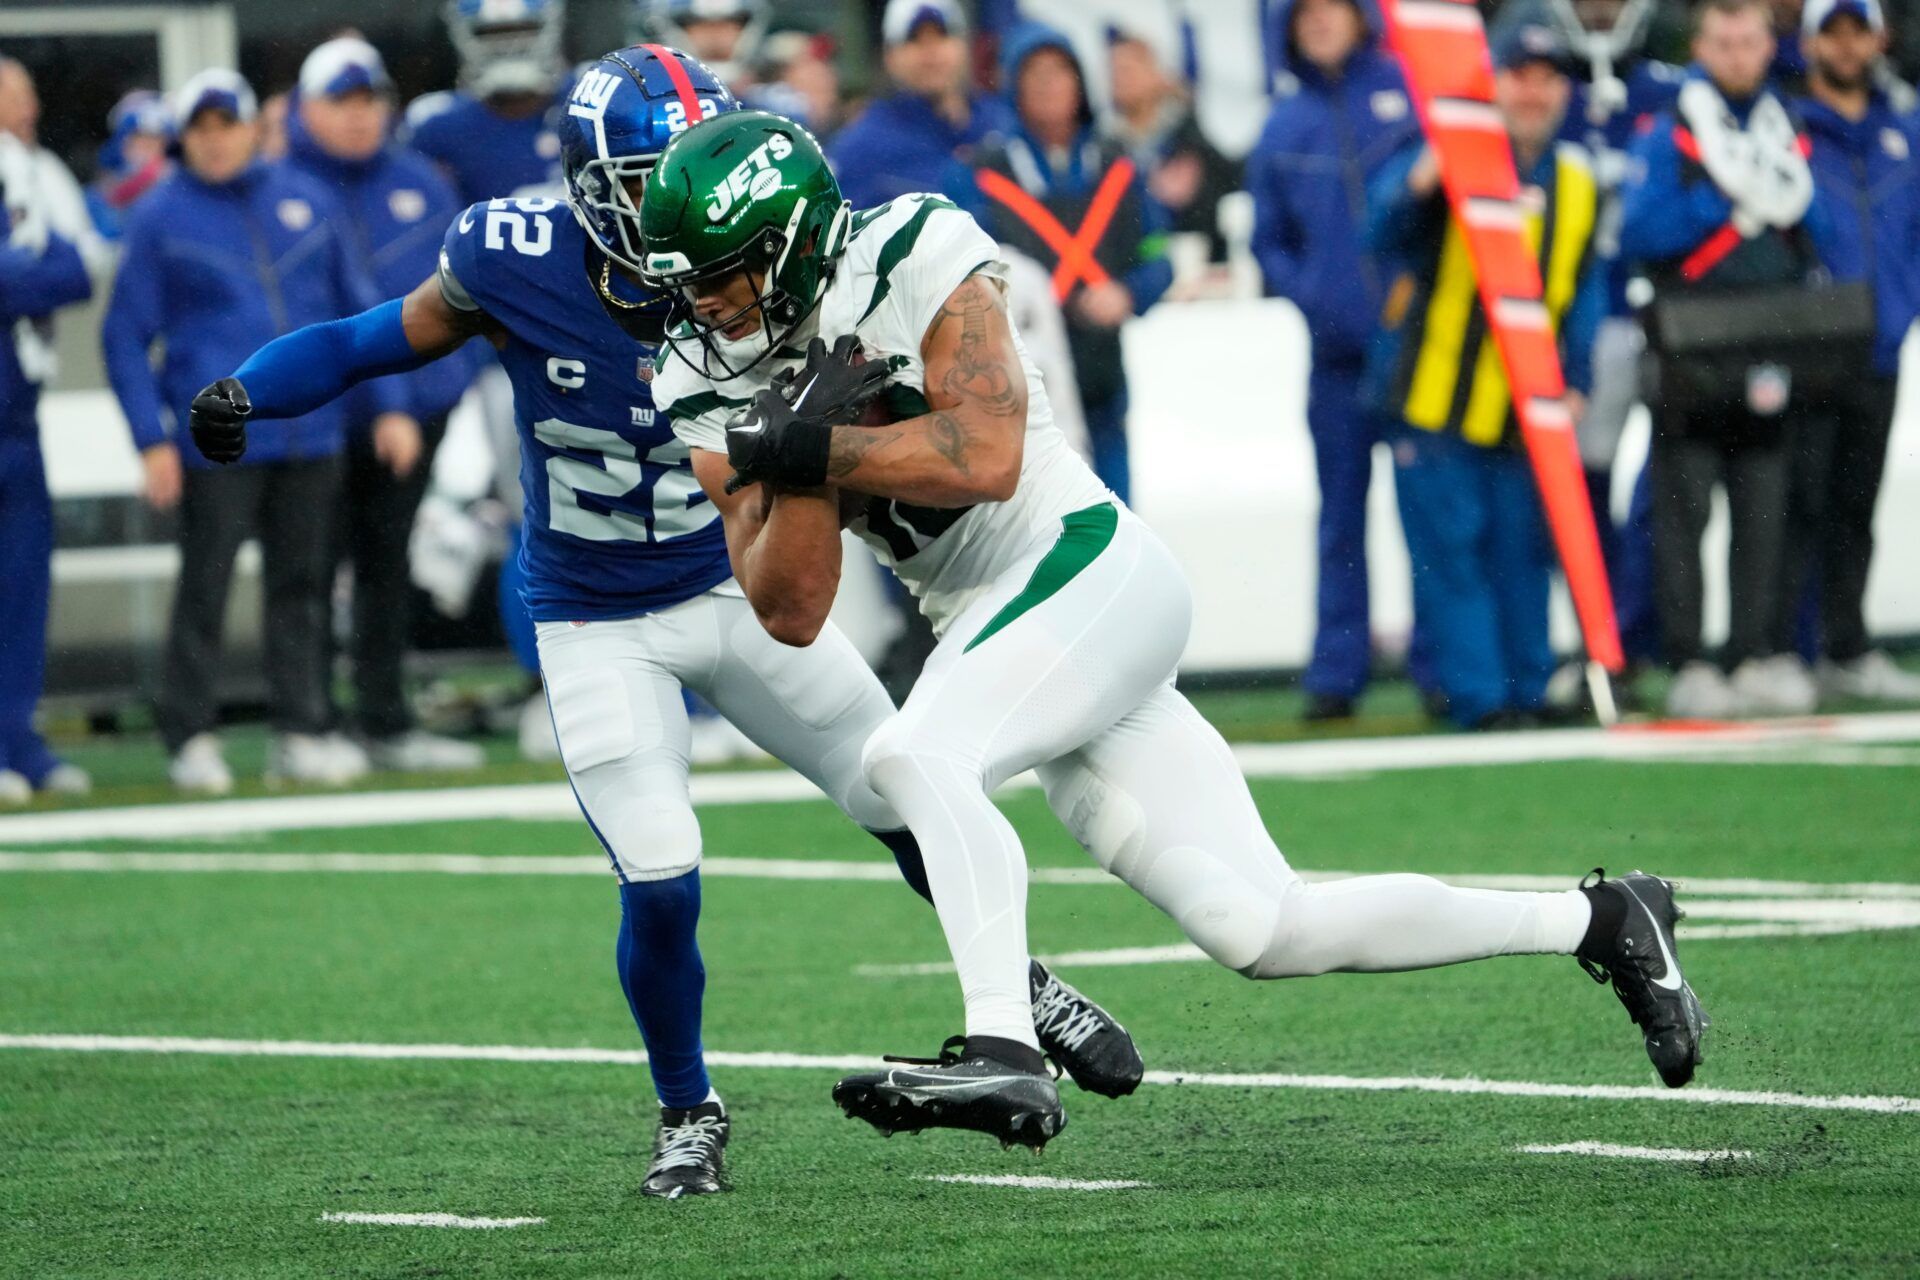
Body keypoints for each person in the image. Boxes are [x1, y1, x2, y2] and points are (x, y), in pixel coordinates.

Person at [642, 108, 1707, 1151]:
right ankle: (1605, 919)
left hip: (1084, 566)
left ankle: (1006, 1042)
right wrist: (804, 455)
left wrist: (817, 447)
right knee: (1265, 926)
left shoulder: (912, 244)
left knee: (910, 756)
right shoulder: (695, 370)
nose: (701, 300)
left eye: (719, 271)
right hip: (999, 631)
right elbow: (791, 606)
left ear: (789, 244)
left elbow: (986, 453)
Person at [183, 49, 1138, 1198]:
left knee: (907, 791)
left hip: (734, 581)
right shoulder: (514, 257)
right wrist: (250, 385)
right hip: (596, 616)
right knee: (660, 864)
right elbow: (368, 338)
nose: (672, 204)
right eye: (641, 181)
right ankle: (688, 1106)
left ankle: (1017, 990)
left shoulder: (767, 268)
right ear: (590, 188)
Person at [101, 70, 395, 793]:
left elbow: (360, 315)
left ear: (250, 128)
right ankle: (190, 735)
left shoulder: (306, 198)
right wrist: (151, 439)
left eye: (225, 123)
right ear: (183, 138)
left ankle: (300, 729)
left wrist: (387, 403)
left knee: (304, 585)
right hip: (216, 435)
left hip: (311, 432)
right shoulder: (160, 217)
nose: (214, 139)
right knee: (206, 585)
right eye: (199, 128)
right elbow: (123, 336)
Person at [1368, 21, 1607, 732]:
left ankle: (1528, 689)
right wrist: (1421, 179)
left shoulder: (1576, 180)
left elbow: (1587, 290)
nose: (1533, 92)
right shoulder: (1449, 156)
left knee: (1522, 553)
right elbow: (1378, 235)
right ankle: (1479, 698)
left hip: (1524, 404)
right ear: (1491, 82)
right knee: (1454, 553)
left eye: (1547, 78)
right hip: (1435, 401)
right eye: (1519, 75)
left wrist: (1580, 374)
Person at [1619, 0, 1831, 719]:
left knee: (1766, 503)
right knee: (1683, 508)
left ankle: (1754, 652)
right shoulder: (1673, 128)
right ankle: (1688, 658)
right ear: (1700, 46)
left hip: (1770, 336)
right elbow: (1641, 229)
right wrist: (1725, 204)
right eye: (1723, 41)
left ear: (1770, 46)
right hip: (1692, 344)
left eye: (1749, 40)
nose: (1737, 54)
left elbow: (1819, 224)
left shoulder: (1786, 126)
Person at [286, 37, 486, 770]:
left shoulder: (420, 182)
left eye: (369, 100)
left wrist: (450, 383)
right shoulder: (285, 186)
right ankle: (310, 722)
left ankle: (384, 718)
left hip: (418, 408)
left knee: (387, 566)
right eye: (341, 102)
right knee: (308, 568)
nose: (358, 116)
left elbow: (468, 284)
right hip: (326, 415)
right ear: (306, 110)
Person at [1246, 0, 1418, 721]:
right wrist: (1313, 297)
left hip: (1418, 349)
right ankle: (1337, 672)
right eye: (1303, 13)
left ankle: (1444, 666)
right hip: (1336, 357)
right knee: (1341, 517)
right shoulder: (1281, 127)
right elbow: (1268, 242)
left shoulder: (1409, 92)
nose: (1317, 22)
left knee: (1431, 513)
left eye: (1330, 9)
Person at [959, 21, 1173, 505]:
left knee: (1118, 511)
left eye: (1060, 72)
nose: (1049, 85)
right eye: (1033, 74)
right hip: (1023, 381)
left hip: (1102, 371)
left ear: (1081, 83)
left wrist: (1129, 292)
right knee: (1042, 515)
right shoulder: (983, 172)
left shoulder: (1119, 164)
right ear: (1013, 86)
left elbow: (1159, 254)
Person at [1784, 0, 1920, 701]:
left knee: (1854, 507)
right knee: (1800, 501)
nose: (1845, 45)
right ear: (1809, 43)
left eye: (1856, 31)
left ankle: (1847, 645)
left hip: (1880, 346)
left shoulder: (1906, 132)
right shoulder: (1788, 130)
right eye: (1832, 32)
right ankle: (1796, 651)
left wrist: (1904, 305)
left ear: (1878, 39)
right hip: (1809, 346)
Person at [0, 132, 94, 804]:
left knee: (23, 591)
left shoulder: (20, 169)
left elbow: (73, 271)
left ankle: (18, 737)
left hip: (17, 426)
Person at [827, 0, 1015, 212]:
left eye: (942, 35)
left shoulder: (1005, 123)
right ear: (889, 56)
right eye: (914, 39)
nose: (931, 52)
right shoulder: (862, 147)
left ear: (964, 45)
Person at [1108, 24, 1240, 265]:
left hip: (1196, 270)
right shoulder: (1103, 148)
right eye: (1114, 71)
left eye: (1129, 69)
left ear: (1157, 73)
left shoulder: (1190, 139)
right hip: (1134, 270)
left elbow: (1221, 203)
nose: (1120, 79)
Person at [85, 90, 173, 241]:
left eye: (156, 139)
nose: (148, 147)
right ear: (122, 144)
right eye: (139, 138)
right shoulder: (96, 197)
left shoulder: (180, 188)